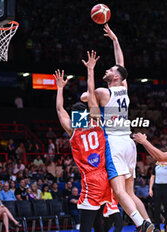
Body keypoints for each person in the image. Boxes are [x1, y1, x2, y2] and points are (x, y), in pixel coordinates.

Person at [80, 25, 154, 232]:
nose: (108, 69)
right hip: (129, 144)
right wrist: (115, 40)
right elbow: (121, 64)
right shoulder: (124, 89)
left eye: (110, 70)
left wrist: (90, 71)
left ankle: (141, 223)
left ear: (115, 77)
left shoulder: (104, 92)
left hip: (114, 144)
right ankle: (152, 226)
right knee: (130, 194)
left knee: (119, 192)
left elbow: (86, 97)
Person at [54, 50, 113, 232]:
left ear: (75, 116)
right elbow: (91, 94)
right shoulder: (96, 120)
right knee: (98, 224)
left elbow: (59, 109)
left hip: (91, 179)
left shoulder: (73, 129)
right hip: (105, 177)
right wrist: (90, 69)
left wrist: (60, 87)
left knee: (85, 228)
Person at [149, 161, 167, 231]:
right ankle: (157, 226)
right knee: (157, 208)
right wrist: (150, 189)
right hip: (157, 188)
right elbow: (152, 177)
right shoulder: (156, 166)